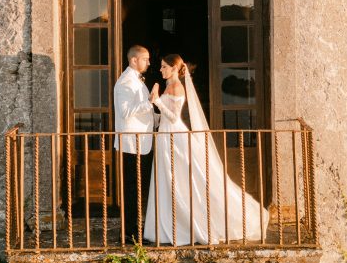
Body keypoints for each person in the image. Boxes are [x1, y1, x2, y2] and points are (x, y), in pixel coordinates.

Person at [143, 54, 267, 246]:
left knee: (183, 179)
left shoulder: (177, 87)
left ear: (175, 69)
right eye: (161, 67)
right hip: (166, 134)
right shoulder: (168, 86)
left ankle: (188, 225)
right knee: (168, 179)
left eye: (164, 67)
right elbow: (166, 118)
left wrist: (157, 101)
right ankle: (168, 224)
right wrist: (154, 114)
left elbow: (175, 117)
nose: (161, 70)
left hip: (175, 137)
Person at [113, 44, 159, 242]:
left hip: (143, 142)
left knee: (139, 189)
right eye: (145, 58)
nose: (149, 62)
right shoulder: (125, 82)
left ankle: (136, 229)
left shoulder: (137, 81)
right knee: (132, 190)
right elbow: (125, 112)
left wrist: (158, 119)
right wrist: (149, 101)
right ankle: (130, 233)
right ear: (134, 60)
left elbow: (143, 112)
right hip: (132, 144)